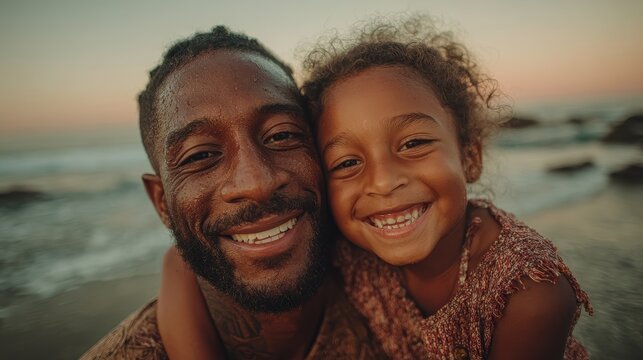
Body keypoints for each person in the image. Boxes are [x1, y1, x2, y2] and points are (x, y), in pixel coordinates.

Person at [160, 16, 593, 360]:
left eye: (414, 143)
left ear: (469, 156)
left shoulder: (528, 289)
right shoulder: (348, 245)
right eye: (347, 163)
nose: (384, 182)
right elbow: (181, 261)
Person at [81, 26, 387, 360]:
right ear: (162, 202)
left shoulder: (386, 281)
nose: (256, 183)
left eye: (281, 135)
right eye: (200, 155)